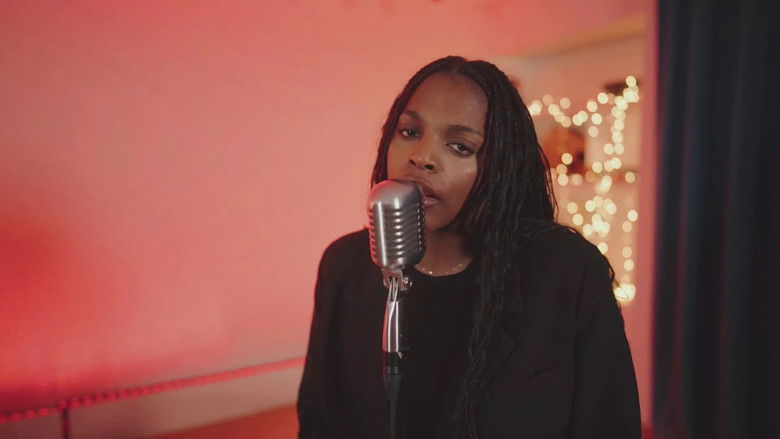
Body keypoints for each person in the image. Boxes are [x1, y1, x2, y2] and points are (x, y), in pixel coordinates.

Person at [297, 56, 640, 439]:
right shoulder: (344, 265)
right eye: (409, 131)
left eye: (460, 147)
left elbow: (608, 422)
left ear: (501, 167)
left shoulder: (567, 270)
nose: (422, 157)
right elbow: (318, 418)